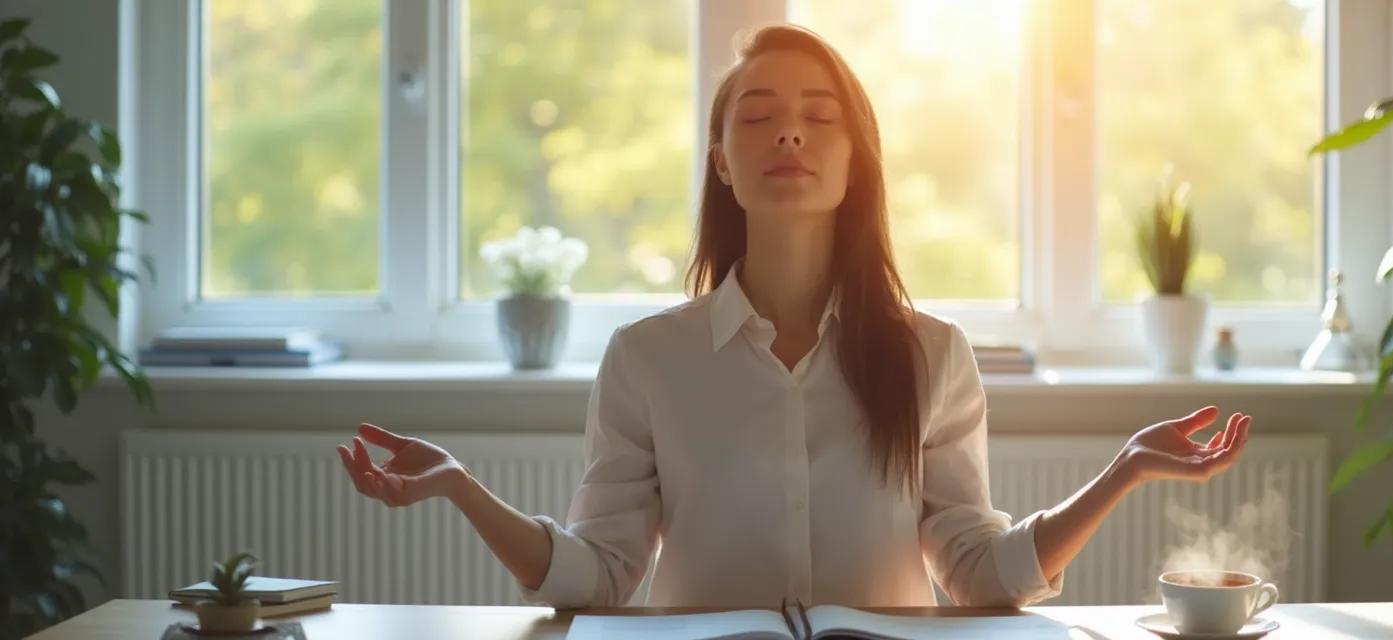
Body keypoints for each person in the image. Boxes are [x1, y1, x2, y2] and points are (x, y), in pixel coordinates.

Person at [335, 24, 1251, 609]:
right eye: (759, 117)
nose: (789, 135)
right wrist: (460, 486)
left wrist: (1123, 472)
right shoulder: (649, 359)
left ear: (857, 162)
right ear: (722, 162)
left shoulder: (932, 354)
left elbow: (976, 573)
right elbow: (605, 576)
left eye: (820, 117)